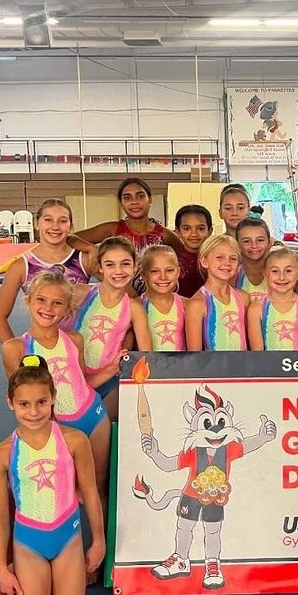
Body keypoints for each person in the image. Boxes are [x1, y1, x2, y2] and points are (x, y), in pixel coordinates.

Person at [0, 356, 104, 595]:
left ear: (53, 398)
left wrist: (99, 541)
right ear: (10, 402)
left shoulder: (75, 440)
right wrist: (2, 567)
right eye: (24, 404)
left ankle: (49, 585)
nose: (34, 411)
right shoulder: (0, 454)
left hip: (68, 539)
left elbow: (90, 492)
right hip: (28, 545)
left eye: (42, 402)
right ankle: (21, 579)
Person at [1, 272, 110, 514]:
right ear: (28, 301)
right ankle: (63, 544)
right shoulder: (15, 348)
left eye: (57, 303)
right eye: (41, 300)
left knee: (96, 487)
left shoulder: (75, 339)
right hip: (54, 426)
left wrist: (112, 369)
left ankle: (102, 547)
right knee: (61, 492)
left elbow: (82, 381)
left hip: (94, 417)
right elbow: (21, 399)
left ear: (67, 310)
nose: (48, 308)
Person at [70, 178, 202, 295]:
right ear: (121, 203)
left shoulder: (165, 235)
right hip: (119, 298)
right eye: (127, 197)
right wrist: (91, 249)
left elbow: (185, 257)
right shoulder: (111, 229)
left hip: (155, 301)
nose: (134, 202)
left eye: (140, 196)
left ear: (149, 200)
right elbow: (69, 238)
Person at [69, 236, 150, 420]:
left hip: (109, 382)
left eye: (125, 264)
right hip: (74, 378)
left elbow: (147, 353)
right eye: (110, 265)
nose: (118, 271)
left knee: (107, 436)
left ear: (135, 266)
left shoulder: (134, 307)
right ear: (99, 267)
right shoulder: (80, 293)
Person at [0, 199, 93, 343]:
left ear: (71, 227)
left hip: (83, 343)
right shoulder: (21, 266)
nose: (55, 226)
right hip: (43, 345)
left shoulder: (84, 260)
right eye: (48, 220)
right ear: (36, 223)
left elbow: (117, 293)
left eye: (62, 221)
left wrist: (92, 249)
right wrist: (17, 351)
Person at [185, 234, 250, 351]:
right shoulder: (197, 304)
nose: (227, 263)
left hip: (243, 367)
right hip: (213, 368)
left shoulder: (243, 298)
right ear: (204, 262)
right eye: (220, 257)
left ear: (238, 265)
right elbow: (194, 355)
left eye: (233, 258)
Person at [248, 247, 298, 351]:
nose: (282, 277)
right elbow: (257, 354)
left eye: (288, 270)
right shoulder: (256, 309)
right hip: (268, 366)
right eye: (275, 271)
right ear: (265, 273)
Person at [140, 244, 186, 351]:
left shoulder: (186, 305)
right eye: (155, 271)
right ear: (143, 274)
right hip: (148, 366)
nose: (163, 277)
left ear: (178, 272)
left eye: (169, 270)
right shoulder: (136, 306)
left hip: (181, 366)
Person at [235, 210, 272, 304]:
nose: (254, 246)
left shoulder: (279, 273)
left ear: (269, 242)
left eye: (260, 240)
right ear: (237, 244)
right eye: (247, 241)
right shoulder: (232, 275)